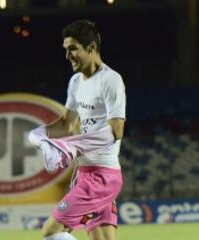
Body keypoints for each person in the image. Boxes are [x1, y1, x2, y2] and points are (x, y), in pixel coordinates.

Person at [29, 20, 126, 240]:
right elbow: (66, 124)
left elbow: (117, 130)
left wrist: (70, 146)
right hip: (84, 174)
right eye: (65, 49)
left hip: (101, 176)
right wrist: (39, 133)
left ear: (90, 47)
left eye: (73, 48)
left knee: (51, 233)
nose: (67, 55)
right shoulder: (75, 82)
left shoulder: (110, 80)